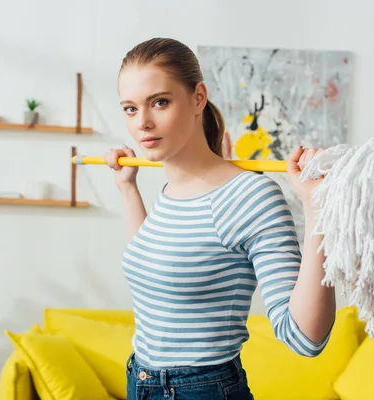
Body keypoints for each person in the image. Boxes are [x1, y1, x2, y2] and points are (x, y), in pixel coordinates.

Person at [104, 37, 336, 400]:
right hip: (140, 380)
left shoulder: (251, 197)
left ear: (198, 97)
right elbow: (154, 263)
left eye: (159, 102)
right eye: (130, 109)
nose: (143, 123)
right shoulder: (168, 192)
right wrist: (127, 189)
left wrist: (318, 209)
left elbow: (305, 337)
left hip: (202, 391)